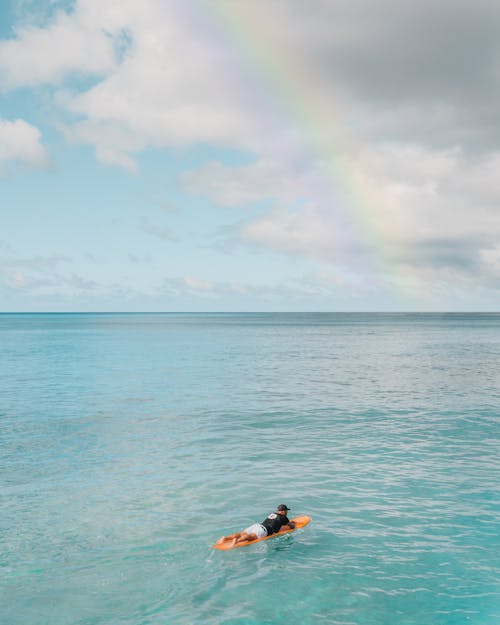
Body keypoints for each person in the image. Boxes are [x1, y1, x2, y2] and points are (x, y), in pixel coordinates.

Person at [216, 504, 295, 547]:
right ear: (283, 511)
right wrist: (293, 523)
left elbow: (275, 523)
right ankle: (237, 541)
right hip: (264, 530)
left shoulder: (273, 514)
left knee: (241, 534)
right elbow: (291, 526)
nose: (286, 512)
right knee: (250, 537)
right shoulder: (284, 517)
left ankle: (225, 538)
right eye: (286, 511)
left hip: (257, 525)